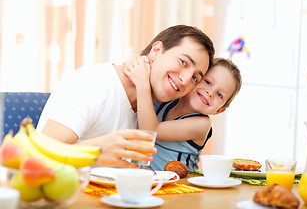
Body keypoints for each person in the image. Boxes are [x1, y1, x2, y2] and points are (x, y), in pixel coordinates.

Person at [36, 25, 215, 168]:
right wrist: (95, 152)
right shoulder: (92, 83)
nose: (185, 80)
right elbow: (38, 157)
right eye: (183, 62)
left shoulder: (152, 110)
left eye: (195, 78)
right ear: (157, 50)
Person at [124, 56, 242, 171]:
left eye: (220, 95)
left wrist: (142, 84)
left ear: (219, 110)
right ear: (195, 78)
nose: (210, 92)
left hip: (179, 187)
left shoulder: (202, 124)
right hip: (148, 180)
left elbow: (151, 131)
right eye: (208, 82)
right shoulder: (167, 101)